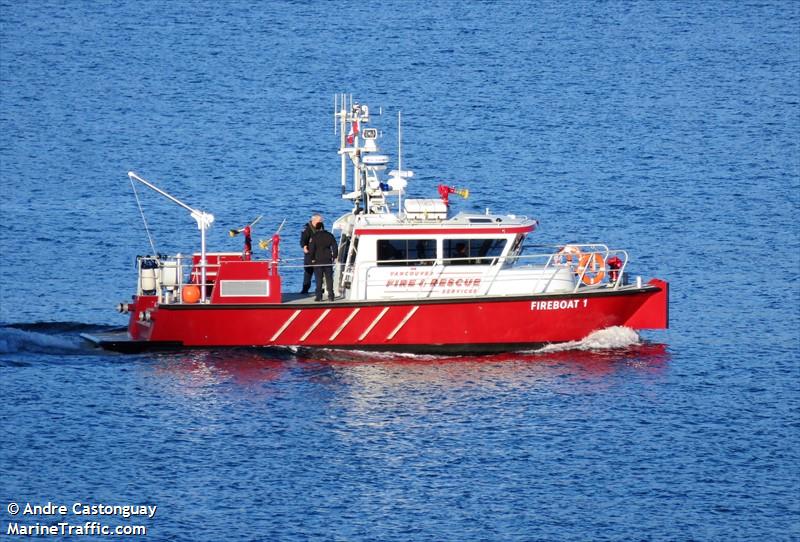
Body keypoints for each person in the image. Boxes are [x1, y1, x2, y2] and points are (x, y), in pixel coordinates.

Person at [308, 221, 337, 301]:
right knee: (329, 279)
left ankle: (319, 296)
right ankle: (331, 296)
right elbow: (335, 246)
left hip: (318, 260)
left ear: (317, 228)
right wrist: (334, 256)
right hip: (328, 259)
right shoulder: (329, 235)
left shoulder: (314, 237)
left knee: (319, 279)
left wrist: (312, 258)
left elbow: (312, 249)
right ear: (323, 227)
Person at [300, 214, 322, 293]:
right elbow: (303, 240)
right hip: (309, 254)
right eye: (319, 221)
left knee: (319, 273)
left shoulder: (320, 228)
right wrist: (304, 247)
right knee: (308, 272)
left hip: (319, 253)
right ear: (314, 221)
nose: (321, 222)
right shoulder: (307, 229)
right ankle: (305, 289)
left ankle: (319, 289)